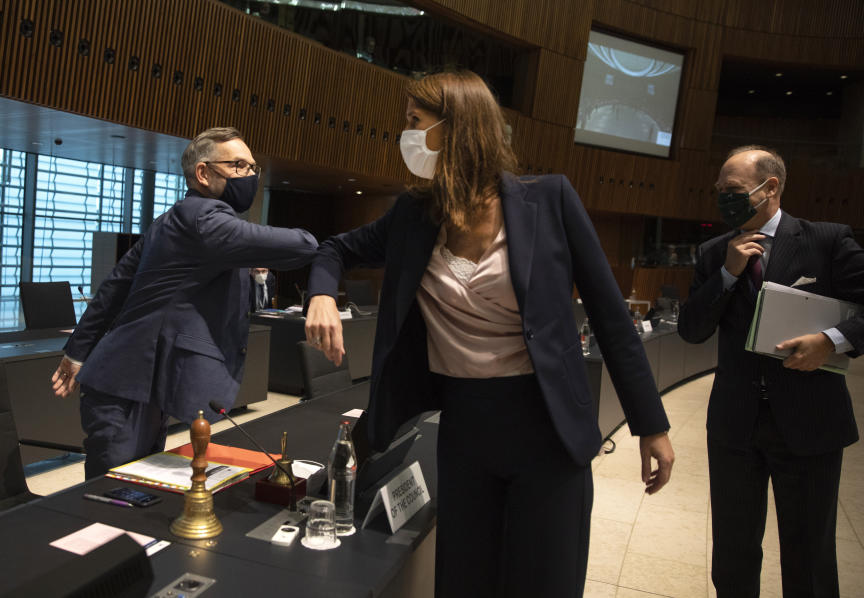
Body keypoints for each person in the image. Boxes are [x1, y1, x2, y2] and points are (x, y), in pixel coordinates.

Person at [304, 70, 674, 597]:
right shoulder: (413, 213)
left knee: (543, 581)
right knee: (464, 581)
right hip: (466, 428)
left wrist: (650, 425)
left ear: (457, 128)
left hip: (546, 428)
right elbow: (334, 249)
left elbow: (612, 319)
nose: (405, 136)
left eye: (415, 123)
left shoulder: (549, 200)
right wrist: (320, 293)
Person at [50, 127, 317, 479]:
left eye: (254, 168)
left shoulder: (175, 218)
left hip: (144, 383)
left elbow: (115, 287)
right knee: (112, 497)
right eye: (239, 166)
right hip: (126, 385)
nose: (250, 176)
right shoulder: (204, 219)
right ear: (203, 173)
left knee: (139, 487)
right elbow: (304, 245)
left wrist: (76, 351)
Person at [679, 146, 861, 597]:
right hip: (735, 425)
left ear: (771, 187)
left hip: (809, 421)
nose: (724, 198)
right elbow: (692, 329)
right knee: (734, 553)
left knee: (809, 555)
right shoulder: (713, 252)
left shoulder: (827, 240)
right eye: (720, 191)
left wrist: (831, 341)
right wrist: (727, 273)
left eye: (734, 190)